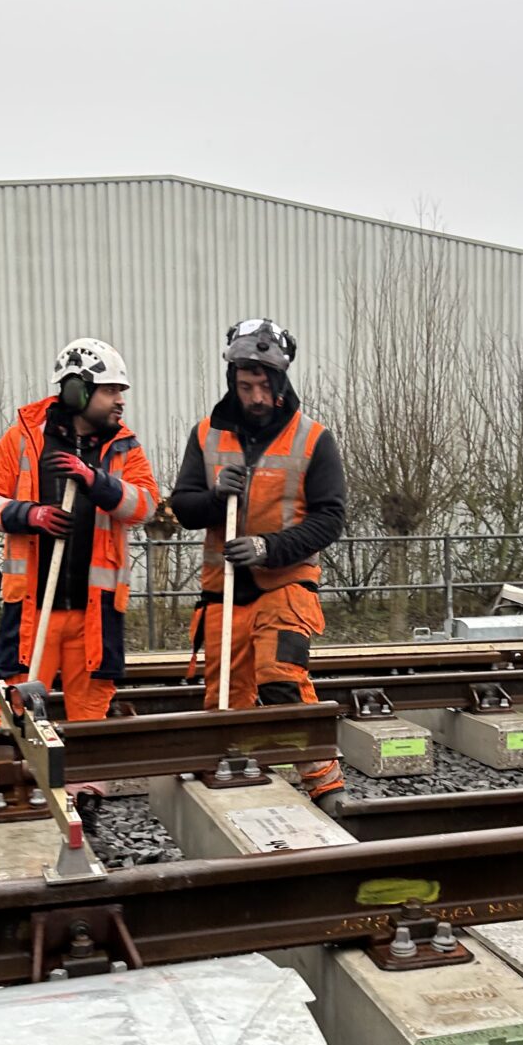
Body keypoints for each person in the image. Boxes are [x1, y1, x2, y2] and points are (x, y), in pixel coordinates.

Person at [168, 317, 345, 802]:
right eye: (247, 386)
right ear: (233, 382)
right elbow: (182, 506)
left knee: (281, 678)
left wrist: (268, 547)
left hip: (286, 584)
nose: (257, 397)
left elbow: (330, 519)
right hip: (223, 590)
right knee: (225, 699)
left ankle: (325, 785)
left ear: (281, 382)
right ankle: (234, 782)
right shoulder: (205, 435)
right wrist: (211, 497)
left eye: (264, 385)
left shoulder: (314, 439)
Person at [0, 338, 158, 718]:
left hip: (94, 609)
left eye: (121, 391)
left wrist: (95, 480)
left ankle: (86, 779)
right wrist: (29, 515)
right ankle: (23, 775)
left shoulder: (124, 447)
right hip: (31, 608)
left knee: (91, 708)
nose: (120, 400)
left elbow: (146, 505)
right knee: (17, 707)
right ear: (77, 390)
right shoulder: (25, 437)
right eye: (110, 391)